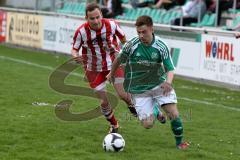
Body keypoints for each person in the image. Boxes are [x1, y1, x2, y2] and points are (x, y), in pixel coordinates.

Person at [107, 15, 189, 149]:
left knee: (173, 114)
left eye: (144, 32)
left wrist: (168, 83)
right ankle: (156, 111)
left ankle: (180, 143)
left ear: (152, 29)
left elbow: (170, 68)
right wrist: (111, 73)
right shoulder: (131, 45)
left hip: (158, 84)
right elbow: (119, 59)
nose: (141, 35)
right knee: (148, 124)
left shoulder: (161, 46)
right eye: (138, 32)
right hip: (139, 89)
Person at [71, 3, 137, 133]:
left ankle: (131, 104)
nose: (95, 21)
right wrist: (75, 56)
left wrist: (127, 52)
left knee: (123, 95)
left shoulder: (111, 25)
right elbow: (74, 49)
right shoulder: (81, 32)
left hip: (113, 64)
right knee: (104, 102)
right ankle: (114, 125)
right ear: (86, 18)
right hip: (93, 69)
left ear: (101, 14)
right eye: (92, 18)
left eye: (97, 17)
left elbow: (123, 38)